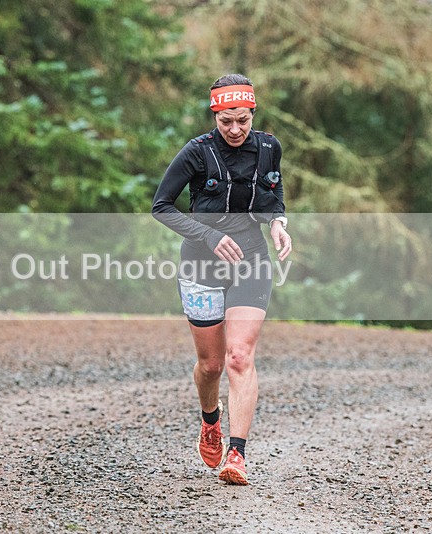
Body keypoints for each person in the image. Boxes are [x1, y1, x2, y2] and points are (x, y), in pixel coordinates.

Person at [152, 74, 292, 485]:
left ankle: (237, 453)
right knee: (211, 365)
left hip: (251, 260)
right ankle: (210, 420)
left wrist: (279, 223)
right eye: (226, 121)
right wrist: (210, 235)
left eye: (242, 121)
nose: (234, 129)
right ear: (215, 114)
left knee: (239, 357)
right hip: (201, 264)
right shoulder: (196, 153)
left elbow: (272, 195)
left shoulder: (269, 148)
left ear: (253, 114)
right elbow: (161, 207)